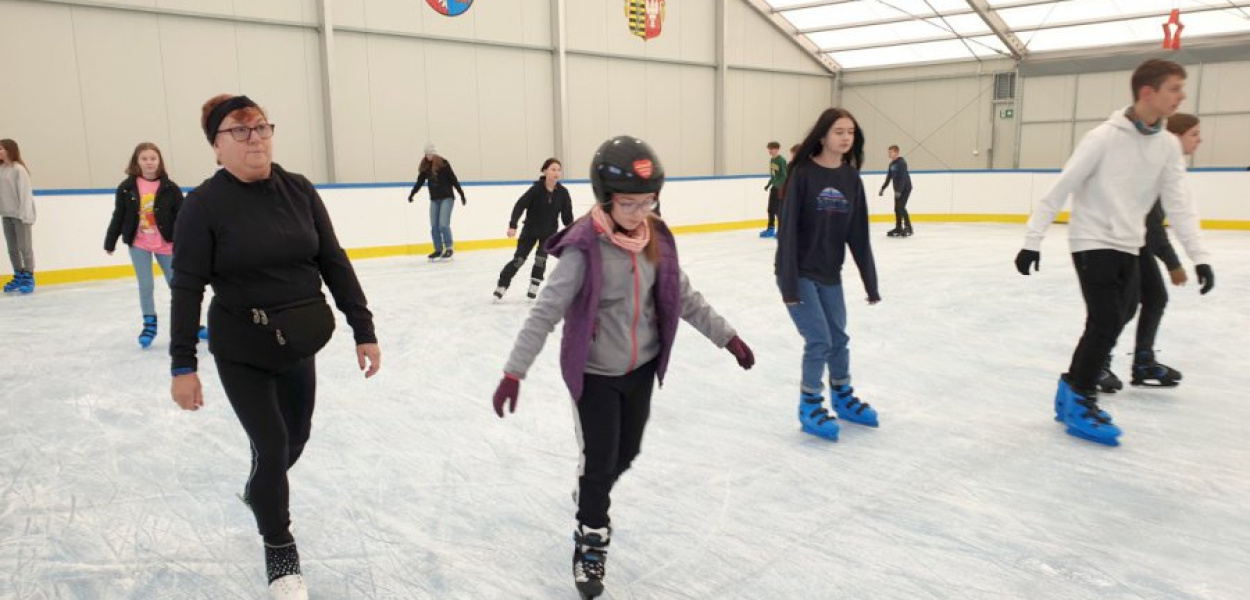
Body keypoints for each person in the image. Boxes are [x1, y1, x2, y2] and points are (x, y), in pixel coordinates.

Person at [491, 136, 755, 600]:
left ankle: (590, 495)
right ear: (606, 198)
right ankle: (591, 540)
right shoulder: (583, 249)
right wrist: (515, 372)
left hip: (639, 371)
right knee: (597, 465)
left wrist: (727, 336)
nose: (639, 211)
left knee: (625, 454)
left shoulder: (657, 241)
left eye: (647, 201)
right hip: (595, 375)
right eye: (629, 203)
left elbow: (683, 297)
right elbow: (545, 311)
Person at [169, 94, 382, 600]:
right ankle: (280, 550)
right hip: (242, 347)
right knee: (269, 445)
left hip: (297, 343)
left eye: (262, 128)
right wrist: (183, 364)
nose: (255, 140)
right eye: (239, 132)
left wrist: (363, 328)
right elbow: (187, 286)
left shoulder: (299, 190)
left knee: (294, 441)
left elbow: (333, 259)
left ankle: (260, 490)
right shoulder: (203, 204)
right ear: (217, 148)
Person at [1015, 59, 1214, 447]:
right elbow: (1061, 187)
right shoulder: (1103, 137)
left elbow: (1179, 203)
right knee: (1106, 319)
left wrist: (1198, 255)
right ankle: (1080, 399)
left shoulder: (1167, 146)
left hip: (1130, 242)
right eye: (1174, 88)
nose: (1181, 96)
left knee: (1123, 312)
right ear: (1147, 92)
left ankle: (1071, 388)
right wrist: (1031, 240)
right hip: (1092, 240)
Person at [776, 108, 881, 442]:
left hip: (830, 274)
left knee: (839, 339)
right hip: (799, 272)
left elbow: (859, 235)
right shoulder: (803, 175)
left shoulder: (851, 179)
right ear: (822, 136)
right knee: (819, 340)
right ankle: (809, 404)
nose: (846, 137)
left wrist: (870, 282)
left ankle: (842, 396)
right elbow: (788, 231)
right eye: (839, 131)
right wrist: (790, 284)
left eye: (850, 131)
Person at [1104, 113, 1202, 390]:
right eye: (1194, 134)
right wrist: (1173, 263)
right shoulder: (1156, 163)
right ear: (1176, 136)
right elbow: (1151, 223)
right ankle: (1098, 363)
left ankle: (1143, 361)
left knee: (1155, 298)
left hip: (1139, 243)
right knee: (1124, 305)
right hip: (1121, 241)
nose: (1199, 140)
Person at [104, 143, 187, 347]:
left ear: (159, 162)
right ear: (137, 162)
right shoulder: (126, 187)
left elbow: (183, 217)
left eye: (153, 158)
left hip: (166, 243)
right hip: (139, 243)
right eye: (144, 158)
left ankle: (189, 324)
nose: (149, 162)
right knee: (146, 285)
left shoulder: (170, 188)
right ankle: (149, 323)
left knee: (178, 285)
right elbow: (119, 215)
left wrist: (187, 241)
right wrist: (110, 240)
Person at [494, 158, 573, 300]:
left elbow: (567, 217)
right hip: (530, 231)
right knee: (519, 259)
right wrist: (513, 225)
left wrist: (572, 231)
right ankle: (502, 285)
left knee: (540, 259)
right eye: (553, 169)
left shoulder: (563, 193)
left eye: (558, 170)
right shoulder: (535, 189)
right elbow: (519, 205)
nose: (556, 173)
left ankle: (534, 284)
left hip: (549, 233)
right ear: (545, 171)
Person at [407, 143, 466, 261]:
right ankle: (438, 249)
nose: (429, 156)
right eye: (427, 154)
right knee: (434, 226)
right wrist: (412, 193)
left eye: (431, 153)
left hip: (447, 198)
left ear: (434, 153)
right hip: (434, 199)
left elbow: (453, 179)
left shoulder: (443, 163)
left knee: (443, 224)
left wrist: (461, 194)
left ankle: (449, 248)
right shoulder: (425, 166)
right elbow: (419, 182)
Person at [0, 139, 36, 294]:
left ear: (9, 150)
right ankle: (18, 275)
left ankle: (29, 276)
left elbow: (25, 194)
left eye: (0, 148)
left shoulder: (18, 170)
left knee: (24, 248)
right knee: (12, 249)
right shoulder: (1, 169)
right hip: (6, 214)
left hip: (21, 216)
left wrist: (25, 215)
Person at [879, 144, 913, 237]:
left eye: (891, 152)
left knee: (901, 207)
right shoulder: (891, 164)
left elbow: (903, 178)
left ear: (896, 152)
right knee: (896, 208)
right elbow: (888, 177)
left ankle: (909, 227)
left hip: (905, 188)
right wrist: (883, 188)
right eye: (889, 152)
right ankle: (898, 227)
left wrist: (899, 191)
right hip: (897, 190)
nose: (889, 154)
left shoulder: (902, 163)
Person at [759, 141, 787, 238]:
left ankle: (782, 230)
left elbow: (784, 175)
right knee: (771, 209)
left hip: (780, 188)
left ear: (777, 149)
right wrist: (769, 184)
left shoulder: (781, 160)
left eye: (771, 149)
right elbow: (774, 175)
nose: (769, 151)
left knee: (778, 210)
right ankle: (771, 229)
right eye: (769, 149)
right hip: (774, 187)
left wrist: (779, 185)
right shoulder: (772, 160)